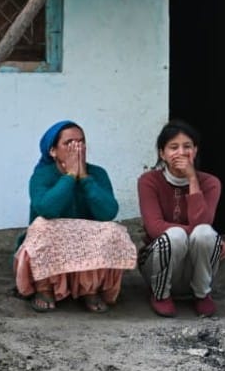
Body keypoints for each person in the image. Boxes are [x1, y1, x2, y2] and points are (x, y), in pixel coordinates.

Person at [14, 120, 137, 313]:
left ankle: (89, 289)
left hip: (85, 240)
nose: (77, 148)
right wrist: (70, 176)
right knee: (42, 227)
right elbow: (47, 209)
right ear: (53, 151)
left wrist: (85, 178)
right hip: (54, 240)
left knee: (113, 230)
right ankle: (44, 288)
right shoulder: (41, 176)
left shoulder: (97, 173)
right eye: (69, 143)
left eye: (81, 142)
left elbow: (108, 212)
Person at [137, 120, 225, 317]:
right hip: (157, 265)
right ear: (162, 154)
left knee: (205, 233)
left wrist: (192, 179)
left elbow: (203, 224)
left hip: (193, 270)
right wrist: (213, 239)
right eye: (173, 147)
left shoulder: (210, 183)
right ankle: (161, 295)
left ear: (195, 151)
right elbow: (154, 227)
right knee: (177, 234)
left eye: (187, 147)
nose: (181, 153)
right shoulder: (149, 181)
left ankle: (202, 294)